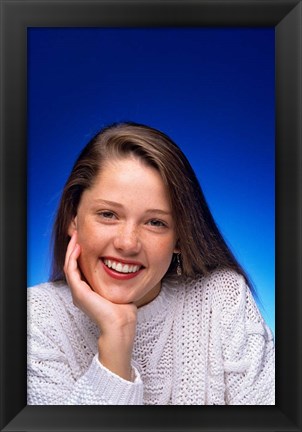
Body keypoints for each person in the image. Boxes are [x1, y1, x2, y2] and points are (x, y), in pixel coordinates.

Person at [27, 122, 275, 405]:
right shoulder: (34, 319)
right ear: (73, 217)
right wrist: (115, 340)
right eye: (108, 214)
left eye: (155, 222)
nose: (128, 243)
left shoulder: (222, 299)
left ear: (180, 237)